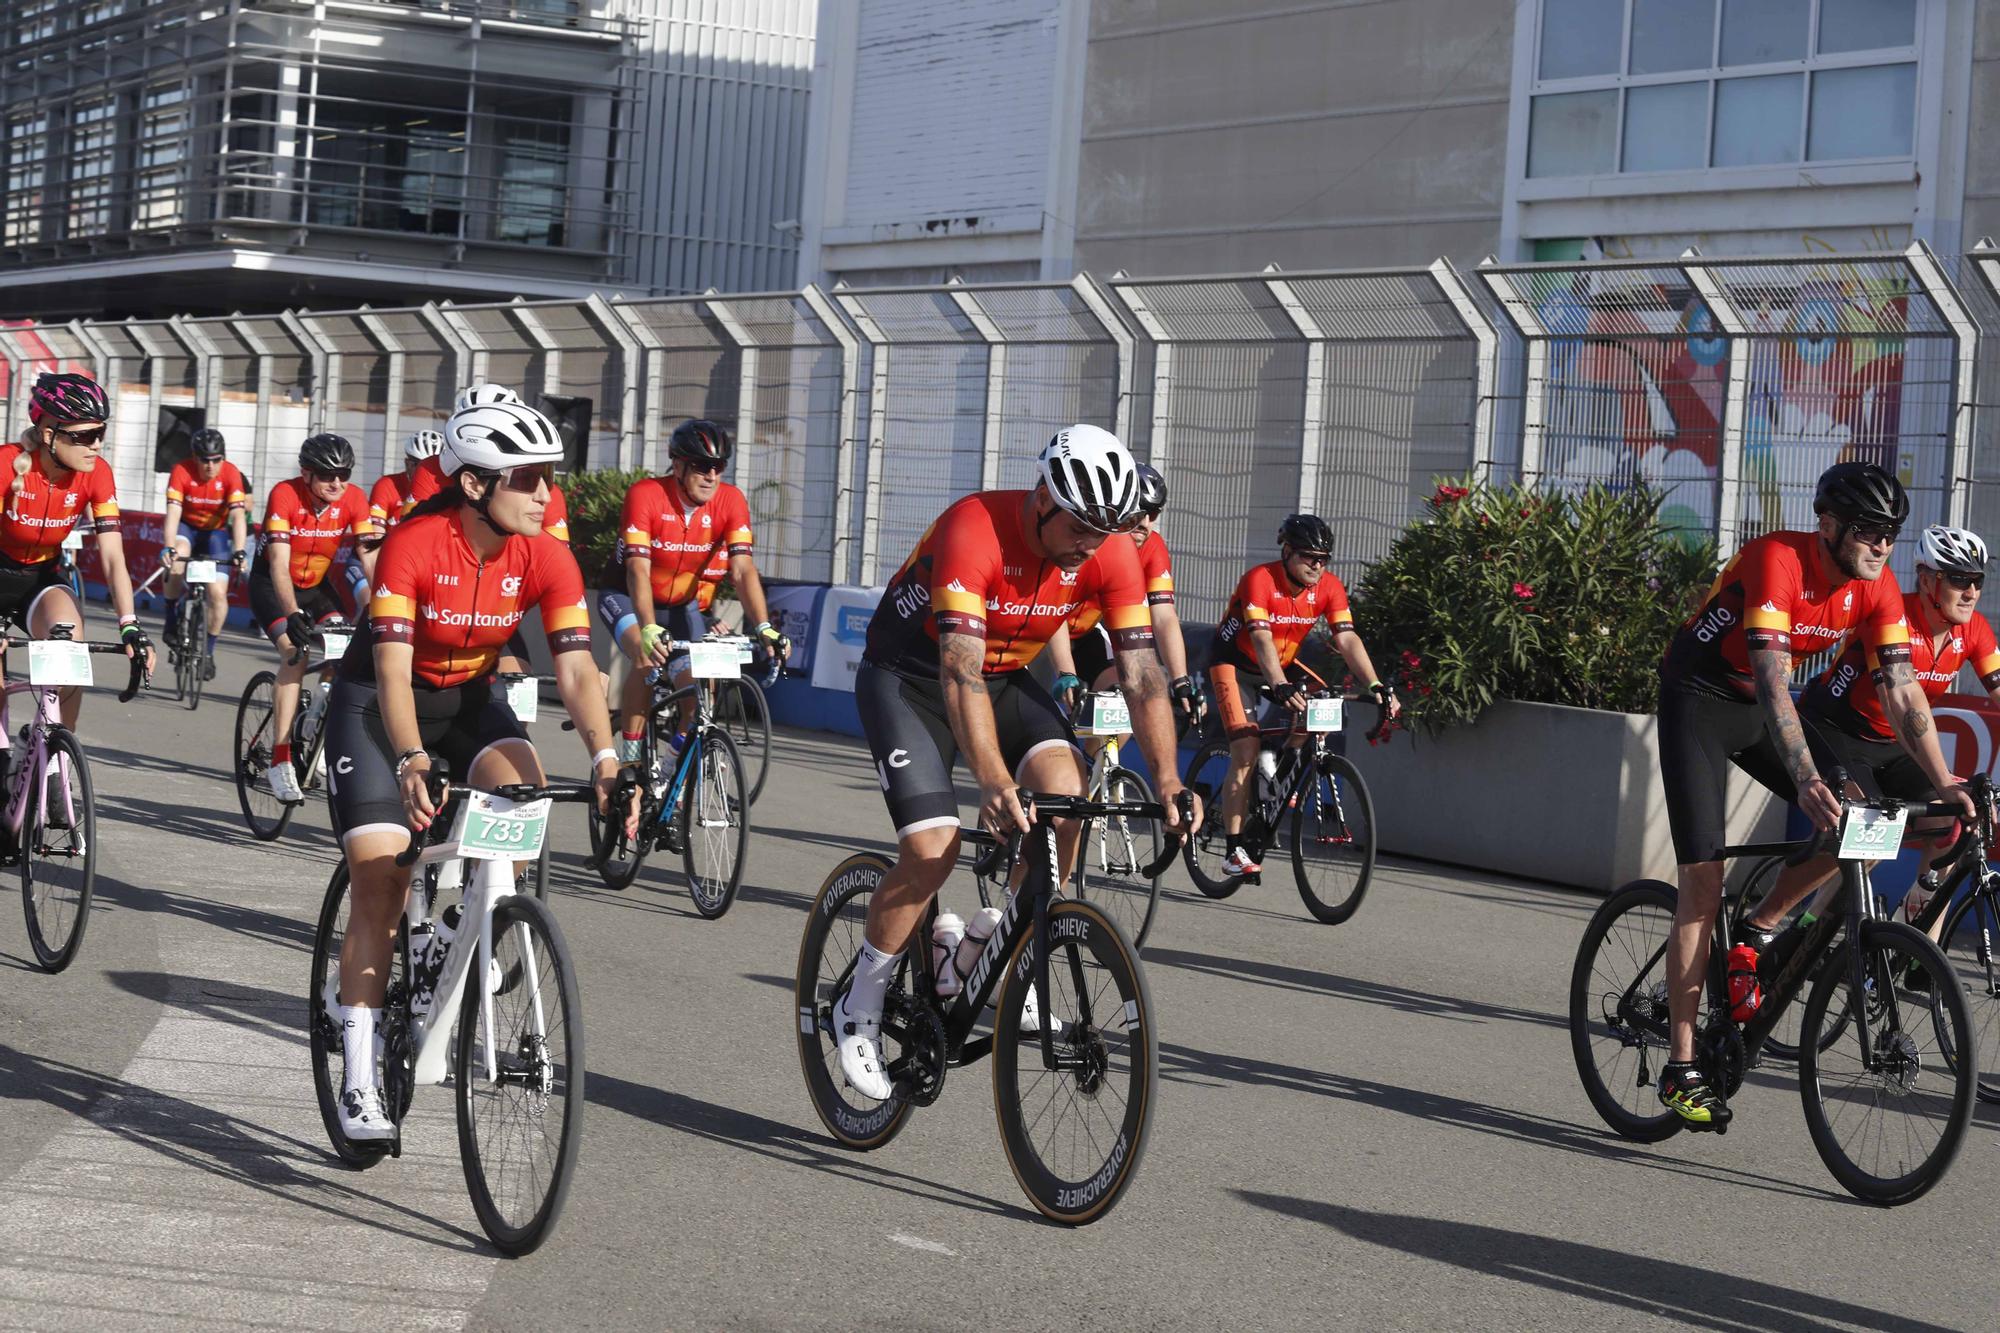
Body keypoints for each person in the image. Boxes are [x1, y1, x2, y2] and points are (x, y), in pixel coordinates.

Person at [837, 424, 1199, 1100]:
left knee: (1068, 802)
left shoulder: (1112, 551)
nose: (1094, 539)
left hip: (1006, 679)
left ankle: (994, 946)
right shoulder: (974, 527)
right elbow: (958, 671)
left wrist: (1172, 780)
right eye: (1083, 523)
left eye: (1107, 526)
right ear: (1042, 499)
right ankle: (860, 1001)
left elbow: (1143, 677)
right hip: (910, 678)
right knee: (934, 845)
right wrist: (995, 782)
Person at [322, 397, 633, 1142]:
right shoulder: (414, 543)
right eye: (526, 479)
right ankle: (360, 1075)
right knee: (382, 879)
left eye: (548, 477)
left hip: (468, 700)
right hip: (377, 709)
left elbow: (580, 669)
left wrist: (606, 757)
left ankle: (458, 926)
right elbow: (394, 679)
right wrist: (409, 758)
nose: (545, 494)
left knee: (523, 799)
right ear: (473, 486)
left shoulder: (545, 551)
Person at [1652, 462, 1972, 1131]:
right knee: (1702, 883)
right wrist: (1806, 777)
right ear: (1828, 525)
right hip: (1701, 702)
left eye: (1891, 532)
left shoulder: (1876, 585)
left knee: (1866, 817)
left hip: (1759, 707)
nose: (1882, 544)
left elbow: (1902, 688)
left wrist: (1943, 778)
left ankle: (1761, 927)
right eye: (1868, 529)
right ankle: (1682, 1066)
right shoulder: (1778, 559)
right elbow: (1773, 680)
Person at [1792, 524, 2000, 943]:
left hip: (1890, 742)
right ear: (1927, 579)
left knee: (1958, 815)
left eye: (1977, 580)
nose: (1971, 592)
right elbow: (1896, 700)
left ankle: (1920, 936)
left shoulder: (1973, 630)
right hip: (1836, 727)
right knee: (1872, 837)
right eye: (1959, 578)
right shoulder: (1892, 616)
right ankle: (1807, 929)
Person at [1204, 513, 1400, 877]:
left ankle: (1280, 773)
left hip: (1283, 662)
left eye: (1324, 558)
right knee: (1244, 751)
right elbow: (1260, 637)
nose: (1317, 565)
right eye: (1309, 556)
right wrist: (1278, 684)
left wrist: (1375, 685)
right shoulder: (1259, 580)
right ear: (1287, 551)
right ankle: (1233, 851)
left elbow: (1347, 639)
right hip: (1235, 663)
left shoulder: (1328, 587)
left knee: (1321, 701)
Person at [596, 419, 788, 755]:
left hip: (682, 606)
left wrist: (764, 626)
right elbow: (637, 570)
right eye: (701, 466)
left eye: (718, 466)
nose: (711, 476)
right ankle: (628, 762)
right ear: (678, 464)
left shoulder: (731, 501)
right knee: (646, 658)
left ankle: (672, 766)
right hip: (626, 597)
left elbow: (742, 571)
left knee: (702, 692)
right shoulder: (647, 495)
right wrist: (649, 627)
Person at [0, 373, 154, 738]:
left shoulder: (97, 474)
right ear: (49, 434)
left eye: (101, 433)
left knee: (70, 653)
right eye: (84, 436)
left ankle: (54, 758)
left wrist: (129, 625)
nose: (96, 445)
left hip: (40, 578)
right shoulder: (7, 464)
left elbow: (113, 557)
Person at [250, 433, 376, 803]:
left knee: (345, 653)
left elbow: (369, 558)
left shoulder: (353, 498)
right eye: (326, 475)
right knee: (296, 653)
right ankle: (280, 759)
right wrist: (291, 614)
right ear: (306, 474)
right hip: (273, 587)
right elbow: (277, 563)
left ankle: (317, 723)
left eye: (344, 473)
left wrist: (392, 602)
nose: (337, 483)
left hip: (318, 587)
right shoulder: (285, 495)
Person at [1044, 463, 1204, 738]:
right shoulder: (1087, 539)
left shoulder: (1153, 547)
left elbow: (1164, 616)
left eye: (1153, 513)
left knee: (1126, 702)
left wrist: (1180, 680)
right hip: (1041, 628)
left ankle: (1098, 774)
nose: (1145, 523)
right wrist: (1066, 671)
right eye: (1139, 511)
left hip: (1085, 632)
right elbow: (1052, 610)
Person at [160, 426, 250, 678]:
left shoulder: (231, 474)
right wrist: (168, 547)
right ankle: (170, 619)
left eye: (216, 460)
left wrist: (240, 550)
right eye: (204, 460)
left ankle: (208, 653)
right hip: (187, 528)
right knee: (177, 557)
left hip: (215, 534)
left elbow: (238, 516)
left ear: (223, 457)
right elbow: (173, 514)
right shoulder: (181, 471)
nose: (210, 466)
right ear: (194, 457)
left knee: (217, 593)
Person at [365, 429, 444, 534]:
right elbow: (376, 535)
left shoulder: (446, 489)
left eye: (435, 467)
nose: (429, 472)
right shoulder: (387, 485)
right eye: (423, 466)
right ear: (408, 464)